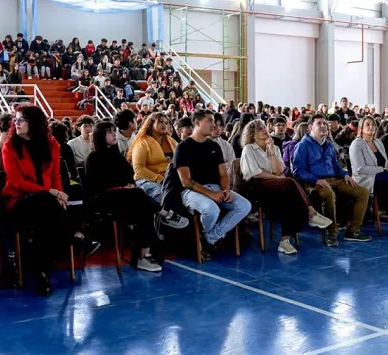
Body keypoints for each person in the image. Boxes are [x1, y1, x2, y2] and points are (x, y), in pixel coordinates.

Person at [2, 106, 99, 295]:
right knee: (45, 203)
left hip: (46, 203)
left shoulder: (51, 144)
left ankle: (43, 276)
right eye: (16, 120)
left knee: (44, 222)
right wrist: (52, 192)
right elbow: (16, 182)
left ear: (34, 123)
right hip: (18, 201)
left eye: (21, 119)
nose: (16, 123)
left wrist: (59, 194)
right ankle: (74, 236)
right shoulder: (10, 146)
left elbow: (55, 174)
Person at [240, 120, 331, 254]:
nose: (265, 130)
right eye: (260, 129)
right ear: (252, 134)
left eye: (265, 127)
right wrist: (276, 178)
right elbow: (254, 173)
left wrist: (271, 152)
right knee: (289, 182)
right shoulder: (249, 149)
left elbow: (279, 169)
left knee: (290, 198)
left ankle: (285, 240)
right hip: (257, 185)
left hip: (277, 184)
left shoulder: (274, 147)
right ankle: (311, 212)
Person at [85, 121, 165, 272]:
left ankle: (142, 257)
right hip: (104, 200)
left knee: (143, 208)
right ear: (101, 136)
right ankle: (162, 214)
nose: (114, 135)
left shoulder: (117, 156)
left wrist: (126, 185)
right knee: (139, 196)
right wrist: (120, 186)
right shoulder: (93, 158)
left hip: (125, 198)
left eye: (114, 131)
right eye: (110, 132)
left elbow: (130, 176)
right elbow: (94, 187)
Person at [176, 110, 251, 253]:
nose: (214, 125)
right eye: (209, 121)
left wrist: (226, 190)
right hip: (191, 192)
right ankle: (207, 239)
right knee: (211, 210)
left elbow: (223, 173)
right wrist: (211, 194)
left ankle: (209, 237)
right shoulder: (183, 147)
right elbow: (186, 181)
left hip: (215, 187)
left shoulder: (214, 146)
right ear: (198, 123)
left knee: (244, 206)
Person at [291, 113, 371, 246]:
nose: (323, 126)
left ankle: (353, 230)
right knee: (328, 194)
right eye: (319, 124)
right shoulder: (302, 145)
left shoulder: (328, 145)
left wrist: (345, 174)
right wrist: (316, 180)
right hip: (313, 183)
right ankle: (332, 233)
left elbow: (336, 165)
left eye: (324, 123)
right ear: (310, 127)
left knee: (362, 192)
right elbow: (298, 171)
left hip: (334, 179)